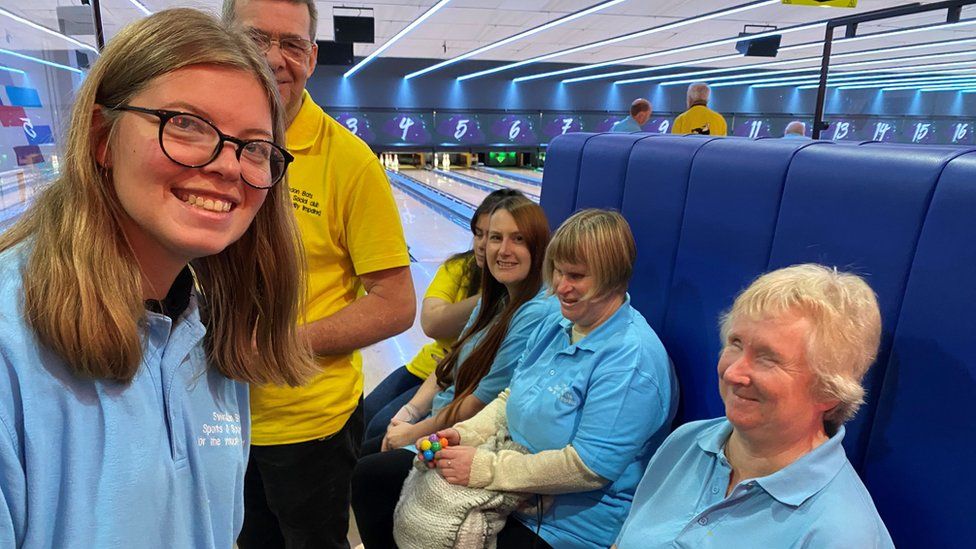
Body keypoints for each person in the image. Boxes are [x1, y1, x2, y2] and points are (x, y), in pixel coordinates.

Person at [0, 9, 314, 548]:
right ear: (103, 137)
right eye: (187, 123)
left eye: (255, 146)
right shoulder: (10, 342)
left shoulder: (210, 332)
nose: (228, 165)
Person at [222, 1, 415, 547]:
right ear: (223, 40)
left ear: (311, 56)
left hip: (306, 425)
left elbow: (396, 303)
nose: (274, 58)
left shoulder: (349, 162)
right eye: (256, 38)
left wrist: (281, 344)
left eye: (292, 45)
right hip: (209, 417)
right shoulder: (203, 142)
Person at [428, 209, 678, 549]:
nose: (560, 286)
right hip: (513, 490)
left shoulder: (631, 360)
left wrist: (485, 469)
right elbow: (508, 398)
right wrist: (467, 433)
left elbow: (586, 468)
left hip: (567, 528)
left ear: (614, 278)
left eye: (576, 276)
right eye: (557, 271)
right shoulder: (556, 324)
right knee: (376, 479)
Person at [614, 264, 894, 548]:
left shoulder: (840, 532)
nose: (733, 373)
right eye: (735, 343)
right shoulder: (686, 442)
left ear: (828, 391)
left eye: (767, 358)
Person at [352, 195, 558, 548]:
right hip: (447, 420)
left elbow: (482, 401)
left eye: (518, 239)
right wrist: (410, 412)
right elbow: (448, 363)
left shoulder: (534, 312)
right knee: (369, 450)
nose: (503, 249)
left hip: (475, 436)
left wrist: (415, 432)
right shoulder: (494, 300)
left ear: (539, 246)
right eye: (495, 237)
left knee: (369, 473)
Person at [363, 189, 520, 444]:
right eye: (480, 234)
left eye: (494, 236)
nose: (483, 245)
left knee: (379, 429)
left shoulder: (524, 300)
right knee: (363, 417)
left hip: (457, 383)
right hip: (430, 367)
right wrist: (493, 295)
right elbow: (432, 323)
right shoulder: (459, 268)